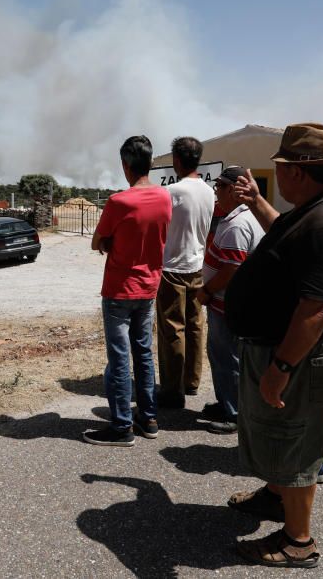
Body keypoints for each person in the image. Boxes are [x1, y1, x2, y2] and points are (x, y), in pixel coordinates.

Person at [223, 123, 323, 568]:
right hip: (289, 349)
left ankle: (298, 541)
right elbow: (284, 234)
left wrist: (280, 366)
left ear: (299, 172)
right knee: (283, 435)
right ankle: (276, 496)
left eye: (282, 167)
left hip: (300, 355)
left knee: (296, 440)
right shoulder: (315, 208)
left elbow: (318, 308)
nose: (277, 175)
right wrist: (256, 202)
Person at [83, 135, 171, 447]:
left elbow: (96, 241)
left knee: (120, 359)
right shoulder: (165, 198)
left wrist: (110, 242)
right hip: (149, 288)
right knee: (144, 353)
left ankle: (121, 426)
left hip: (119, 290)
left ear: (125, 165)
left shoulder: (119, 202)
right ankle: (148, 418)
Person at [195, 166, 265, 433]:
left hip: (227, 302)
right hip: (232, 302)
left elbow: (232, 269)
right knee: (225, 355)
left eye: (220, 187)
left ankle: (234, 412)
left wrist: (207, 290)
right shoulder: (242, 217)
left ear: (233, 191)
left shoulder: (238, 224)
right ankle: (227, 402)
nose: (216, 192)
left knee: (226, 357)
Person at [155, 137, 214, 409]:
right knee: (195, 326)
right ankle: (192, 380)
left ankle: (171, 390)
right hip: (197, 266)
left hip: (172, 267)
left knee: (172, 330)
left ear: (177, 160)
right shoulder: (208, 191)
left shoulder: (172, 192)